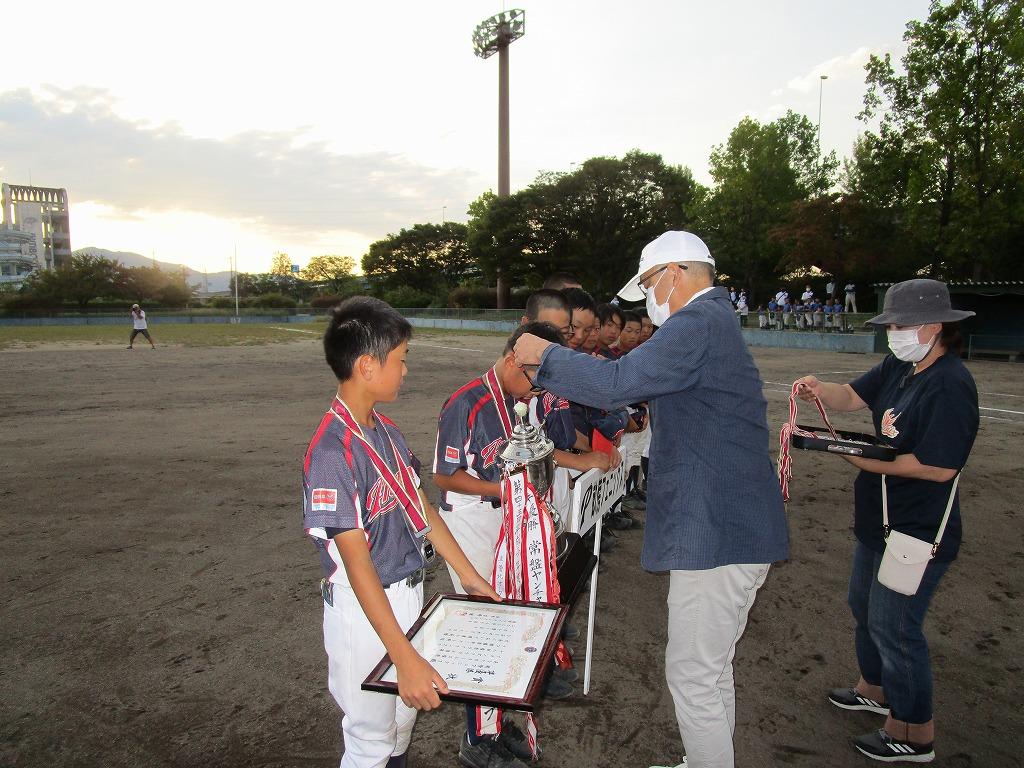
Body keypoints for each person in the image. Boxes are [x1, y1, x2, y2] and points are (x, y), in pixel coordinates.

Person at [514, 230, 789, 768]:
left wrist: (544, 355)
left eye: (648, 283)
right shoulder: (714, 322)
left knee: (693, 673)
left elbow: (619, 382)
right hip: (730, 524)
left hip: (719, 532)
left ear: (678, 273)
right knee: (710, 670)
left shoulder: (697, 323)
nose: (646, 297)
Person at [302, 297, 500, 768]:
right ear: (368, 365)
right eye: (401, 359)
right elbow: (357, 563)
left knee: (400, 727)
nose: (406, 370)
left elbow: (422, 509)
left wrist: (470, 576)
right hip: (364, 608)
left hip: (408, 597)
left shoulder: (386, 432)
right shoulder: (333, 450)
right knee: (371, 737)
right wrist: (404, 657)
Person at [795, 279, 978, 764]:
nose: (893, 333)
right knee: (864, 603)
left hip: (919, 526)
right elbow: (852, 397)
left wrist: (859, 458)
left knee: (895, 623)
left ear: (934, 327)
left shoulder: (951, 384)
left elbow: (938, 466)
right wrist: (818, 389)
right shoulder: (902, 366)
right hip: (881, 519)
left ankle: (914, 731)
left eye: (901, 325)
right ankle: (874, 688)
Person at [434, 322, 607, 768]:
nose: (536, 392)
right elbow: (443, 476)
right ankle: (476, 742)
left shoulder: (516, 402)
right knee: (484, 625)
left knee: (510, 621)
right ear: (513, 357)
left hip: (507, 518)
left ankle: (494, 726)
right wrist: (506, 492)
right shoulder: (465, 402)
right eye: (534, 378)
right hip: (470, 521)